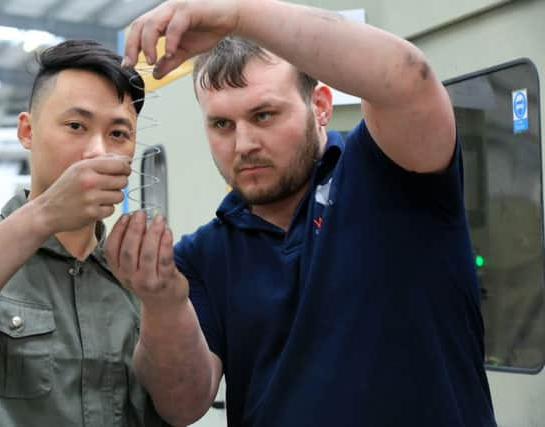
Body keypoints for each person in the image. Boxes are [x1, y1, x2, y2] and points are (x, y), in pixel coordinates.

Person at [106, 1, 497, 426]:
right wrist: (162, 302)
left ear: (321, 107)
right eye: (222, 124)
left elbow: (408, 78)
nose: (243, 145)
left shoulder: (390, 174)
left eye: (264, 115)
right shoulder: (202, 257)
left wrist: (237, 15)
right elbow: (182, 404)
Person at [0, 40, 166, 427]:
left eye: (118, 134)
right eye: (76, 126)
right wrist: (42, 216)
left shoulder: (140, 275)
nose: (98, 151)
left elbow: (184, 404)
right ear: (27, 131)